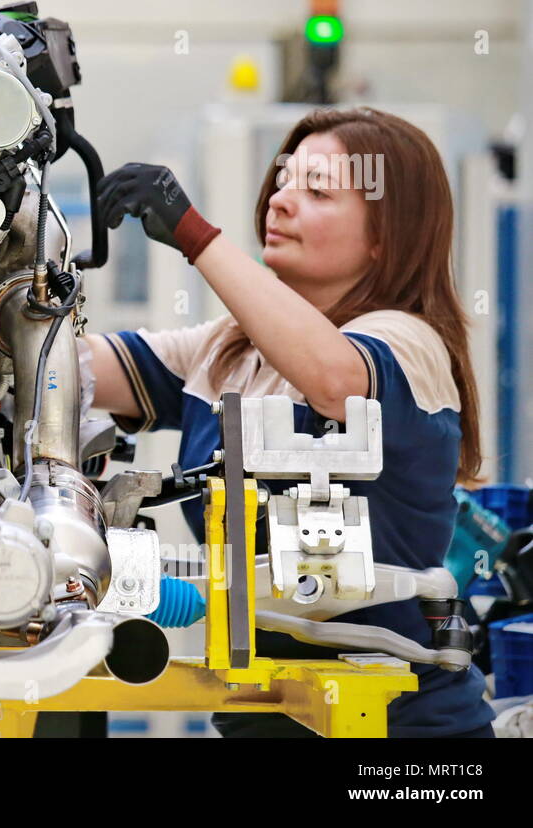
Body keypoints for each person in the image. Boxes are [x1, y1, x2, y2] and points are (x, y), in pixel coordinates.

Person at [81, 106, 494, 737]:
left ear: (388, 234)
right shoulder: (230, 348)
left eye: (317, 191)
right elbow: (76, 369)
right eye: (282, 181)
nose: (280, 201)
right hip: (270, 719)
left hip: (402, 733)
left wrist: (195, 236)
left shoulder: (408, 344)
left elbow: (333, 380)